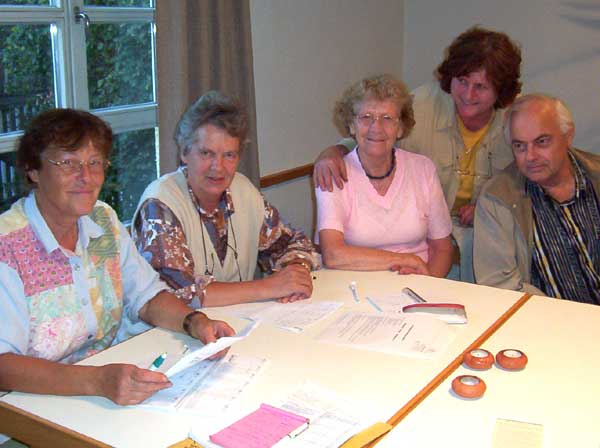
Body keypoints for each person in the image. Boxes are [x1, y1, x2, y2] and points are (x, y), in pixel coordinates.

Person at [0, 109, 234, 406]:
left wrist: (195, 322)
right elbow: (3, 364)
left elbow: (147, 298)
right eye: (68, 163)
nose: (86, 177)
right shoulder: (7, 246)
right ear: (33, 169)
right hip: (26, 410)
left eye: (94, 163)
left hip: (101, 394)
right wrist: (97, 380)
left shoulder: (103, 220)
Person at [313, 26, 522, 282]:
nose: (468, 95)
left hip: (480, 232)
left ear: (501, 91)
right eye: (462, 82)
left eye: (481, 87)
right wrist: (332, 153)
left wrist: (489, 205)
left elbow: (529, 174)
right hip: (413, 251)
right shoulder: (421, 107)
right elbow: (374, 136)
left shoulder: (517, 121)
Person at [132, 91, 319, 308]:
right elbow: (179, 293)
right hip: (166, 336)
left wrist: (293, 271)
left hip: (237, 325)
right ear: (184, 152)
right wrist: (272, 286)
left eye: (229, 155)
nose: (218, 167)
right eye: (206, 153)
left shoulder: (243, 191)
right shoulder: (159, 205)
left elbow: (294, 243)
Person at [316, 74, 453, 276]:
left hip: (419, 284)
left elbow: (442, 248)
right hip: (356, 289)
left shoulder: (423, 169)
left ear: (401, 127)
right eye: (366, 117)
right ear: (352, 126)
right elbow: (333, 254)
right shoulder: (333, 173)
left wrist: (428, 286)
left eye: (387, 118)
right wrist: (405, 260)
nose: (376, 128)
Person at [474, 94, 600, 305]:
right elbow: (499, 286)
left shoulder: (595, 176)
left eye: (541, 142)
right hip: (547, 322)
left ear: (568, 136)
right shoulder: (497, 199)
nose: (530, 156)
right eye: (520, 146)